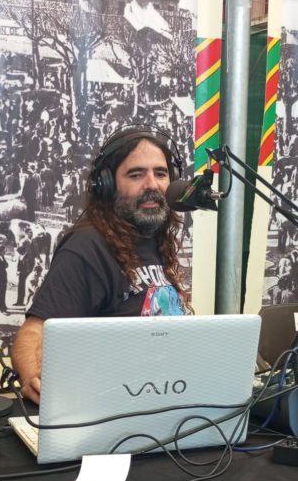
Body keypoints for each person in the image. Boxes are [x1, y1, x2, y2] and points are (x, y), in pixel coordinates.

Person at [11, 126, 189, 403]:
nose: (152, 185)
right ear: (106, 185)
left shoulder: (155, 239)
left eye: (161, 173)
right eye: (136, 174)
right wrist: (34, 378)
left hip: (163, 398)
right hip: (114, 407)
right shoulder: (86, 247)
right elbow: (35, 331)